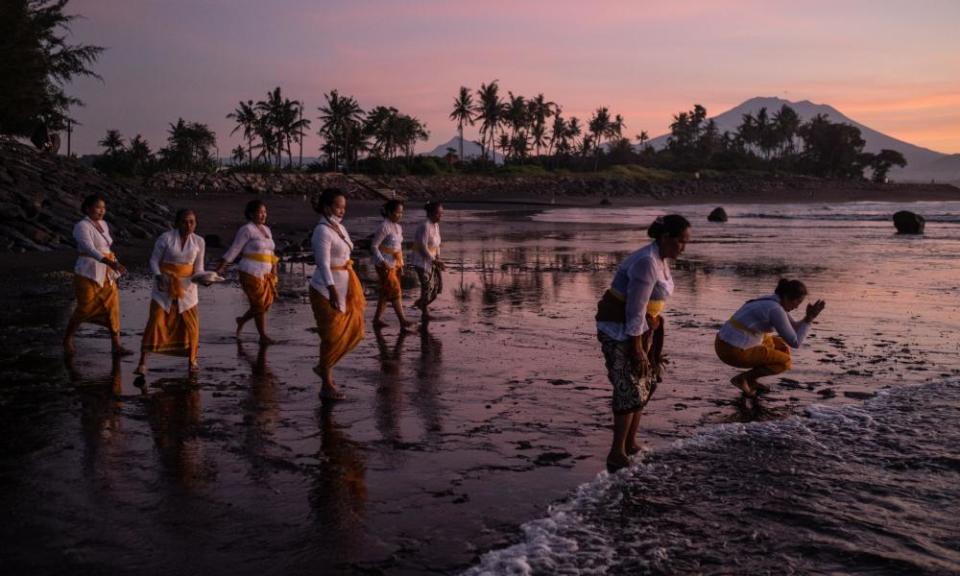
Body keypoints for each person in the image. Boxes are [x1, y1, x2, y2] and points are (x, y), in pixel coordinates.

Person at [595, 214, 691, 472]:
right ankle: (617, 452)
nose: (684, 247)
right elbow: (635, 310)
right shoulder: (646, 262)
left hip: (642, 327)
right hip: (620, 329)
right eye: (681, 241)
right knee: (628, 387)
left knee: (643, 385)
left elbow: (648, 304)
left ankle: (630, 443)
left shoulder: (660, 258)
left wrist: (653, 320)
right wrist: (637, 348)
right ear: (665, 238)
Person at [715, 279, 826, 397]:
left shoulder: (771, 300)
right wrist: (809, 320)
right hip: (733, 351)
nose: (797, 306)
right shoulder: (775, 309)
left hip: (723, 343)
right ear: (787, 297)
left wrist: (809, 317)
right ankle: (742, 379)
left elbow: (793, 327)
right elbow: (795, 342)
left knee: (781, 348)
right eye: (798, 301)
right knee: (785, 362)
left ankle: (751, 381)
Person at [309, 188, 366, 401]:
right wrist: (332, 289)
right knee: (331, 336)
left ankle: (323, 366)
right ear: (326, 207)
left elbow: (348, 250)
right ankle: (326, 382)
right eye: (337, 206)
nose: (341, 211)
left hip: (345, 286)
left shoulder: (339, 227)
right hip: (325, 289)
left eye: (343, 207)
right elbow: (322, 264)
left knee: (355, 331)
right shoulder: (322, 231)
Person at [135, 209, 206, 375]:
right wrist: (159, 277)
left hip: (188, 288)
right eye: (184, 222)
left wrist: (205, 279)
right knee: (156, 321)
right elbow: (153, 261)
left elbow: (199, 268)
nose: (188, 225)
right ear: (177, 223)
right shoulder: (166, 238)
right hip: (164, 285)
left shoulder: (199, 241)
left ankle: (192, 360)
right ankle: (143, 362)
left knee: (191, 326)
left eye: (192, 222)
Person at [64, 194, 132, 356]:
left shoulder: (103, 224)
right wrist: (110, 263)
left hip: (106, 273)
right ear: (88, 208)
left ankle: (116, 344)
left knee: (112, 307)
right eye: (98, 207)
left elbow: (106, 248)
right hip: (88, 271)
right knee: (85, 306)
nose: (102, 211)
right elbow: (89, 248)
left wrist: (114, 264)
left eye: (103, 208)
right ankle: (68, 338)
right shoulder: (81, 226)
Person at [215, 200, 279, 344]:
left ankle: (242, 320)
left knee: (265, 304)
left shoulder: (267, 230)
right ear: (251, 214)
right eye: (260, 212)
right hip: (250, 272)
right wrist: (221, 268)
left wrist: (274, 271)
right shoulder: (247, 229)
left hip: (266, 273)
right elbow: (235, 249)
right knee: (259, 304)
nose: (263, 215)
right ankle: (263, 336)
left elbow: (271, 252)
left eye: (265, 212)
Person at [371, 199, 415, 331]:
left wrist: (401, 264)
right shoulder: (384, 226)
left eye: (401, 213)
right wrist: (382, 261)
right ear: (389, 212)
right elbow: (374, 246)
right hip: (384, 264)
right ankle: (402, 320)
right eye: (397, 212)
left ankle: (376, 320)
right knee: (395, 290)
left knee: (386, 292)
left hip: (395, 263)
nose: (400, 215)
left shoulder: (398, 227)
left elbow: (398, 247)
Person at [412, 201, 446, 319]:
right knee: (426, 288)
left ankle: (420, 304)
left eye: (441, 213)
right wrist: (435, 260)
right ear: (431, 213)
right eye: (438, 214)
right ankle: (424, 312)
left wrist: (438, 259)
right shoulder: (425, 226)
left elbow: (436, 245)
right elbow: (422, 247)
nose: (440, 216)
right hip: (421, 262)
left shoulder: (436, 225)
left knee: (437, 289)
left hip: (433, 260)